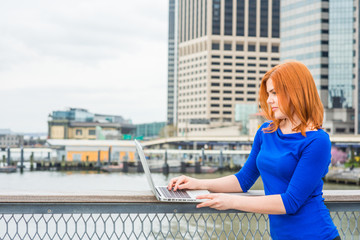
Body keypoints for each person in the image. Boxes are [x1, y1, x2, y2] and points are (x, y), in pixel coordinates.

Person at [168, 61, 340, 240]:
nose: (269, 100)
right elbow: (243, 180)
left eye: (274, 93)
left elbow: (291, 202)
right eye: (268, 93)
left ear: (295, 92)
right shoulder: (266, 132)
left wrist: (231, 201)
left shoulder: (317, 141)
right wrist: (198, 183)